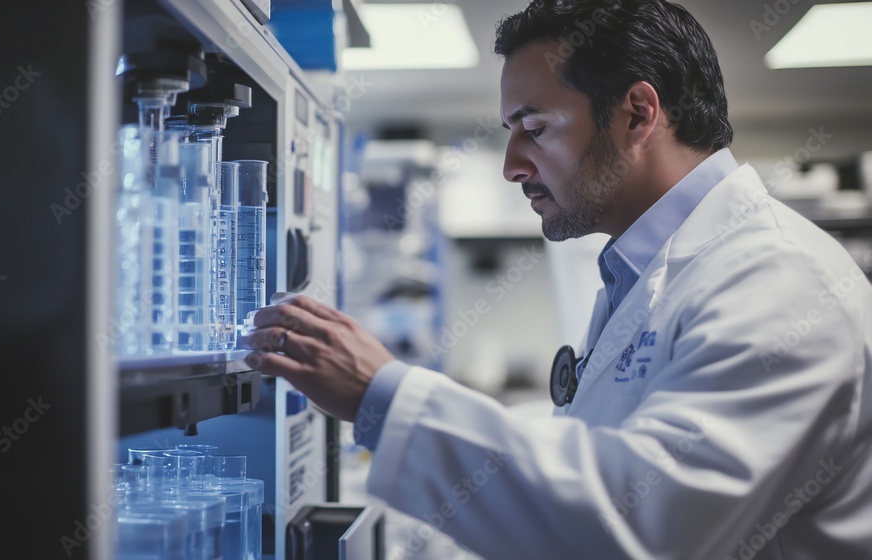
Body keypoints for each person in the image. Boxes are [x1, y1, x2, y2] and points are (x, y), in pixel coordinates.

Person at [244, 0, 872, 557]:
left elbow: (645, 528)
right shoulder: (645, 272)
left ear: (636, 114)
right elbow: (599, 469)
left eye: (535, 128)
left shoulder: (779, 280)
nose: (513, 165)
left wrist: (381, 395)